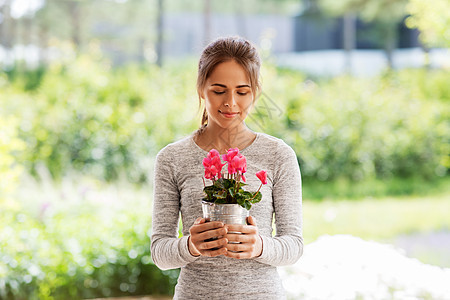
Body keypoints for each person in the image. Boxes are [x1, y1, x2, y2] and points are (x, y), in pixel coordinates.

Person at [151, 36, 303, 299]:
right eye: (219, 91)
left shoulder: (279, 155)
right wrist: (190, 245)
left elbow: (294, 245)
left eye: (242, 92)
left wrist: (259, 246)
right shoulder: (172, 158)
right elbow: (160, 252)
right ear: (201, 88)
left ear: (255, 92)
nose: (230, 102)